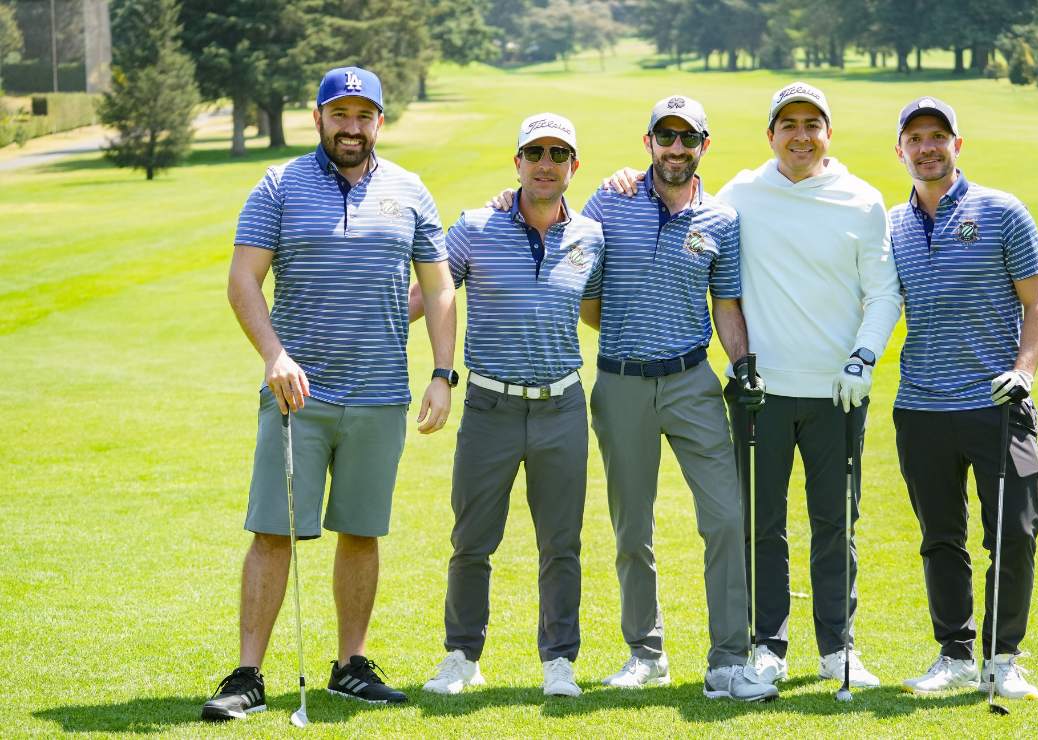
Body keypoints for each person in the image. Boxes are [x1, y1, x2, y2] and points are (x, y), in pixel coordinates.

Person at [601, 82, 901, 689]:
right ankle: (766, 644)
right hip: (761, 392)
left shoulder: (863, 201)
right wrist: (619, 179)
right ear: (770, 135)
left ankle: (837, 647)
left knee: (835, 524)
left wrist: (864, 359)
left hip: (838, 390)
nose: (800, 135)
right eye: (787, 124)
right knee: (759, 524)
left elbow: (882, 291)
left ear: (827, 134)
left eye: (811, 124)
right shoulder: (740, 195)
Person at [490, 95, 777, 702]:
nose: (676, 149)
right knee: (631, 527)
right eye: (665, 137)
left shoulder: (720, 220)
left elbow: (725, 304)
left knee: (725, 518)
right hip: (620, 383)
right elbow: (579, 278)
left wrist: (743, 364)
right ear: (648, 142)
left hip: (694, 382)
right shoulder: (609, 202)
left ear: (704, 146)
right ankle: (646, 653)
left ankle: (728, 659)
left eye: (687, 139)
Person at [201, 66, 457, 722]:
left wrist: (441, 373)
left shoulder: (409, 190)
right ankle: (247, 675)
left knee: (362, 531)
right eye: (339, 114)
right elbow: (242, 280)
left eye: (363, 114)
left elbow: (437, 286)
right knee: (272, 532)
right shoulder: (279, 185)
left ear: (379, 120)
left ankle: (351, 666)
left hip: (379, 396)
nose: (351, 126)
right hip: (297, 394)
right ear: (318, 117)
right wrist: (274, 355)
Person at [414, 113, 603, 699]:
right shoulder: (474, 227)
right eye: (534, 152)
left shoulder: (591, 237)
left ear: (574, 166)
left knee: (561, 543)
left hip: (562, 407)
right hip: (491, 407)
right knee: (472, 539)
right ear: (516, 161)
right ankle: (463, 656)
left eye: (558, 153)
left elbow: (596, 310)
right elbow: (428, 293)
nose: (545, 163)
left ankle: (559, 662)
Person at [888, 97, 1038, 700]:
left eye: (938, 136)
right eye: (915, 138)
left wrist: (1024, 372)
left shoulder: (1003, 212)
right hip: (921, 407)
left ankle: (1003, 657)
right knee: (940, 536)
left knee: (1015, 530)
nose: (927, 147)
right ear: (899, 149)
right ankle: (955, 653)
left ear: (959, 145)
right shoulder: (893, 224)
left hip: (998, 405)